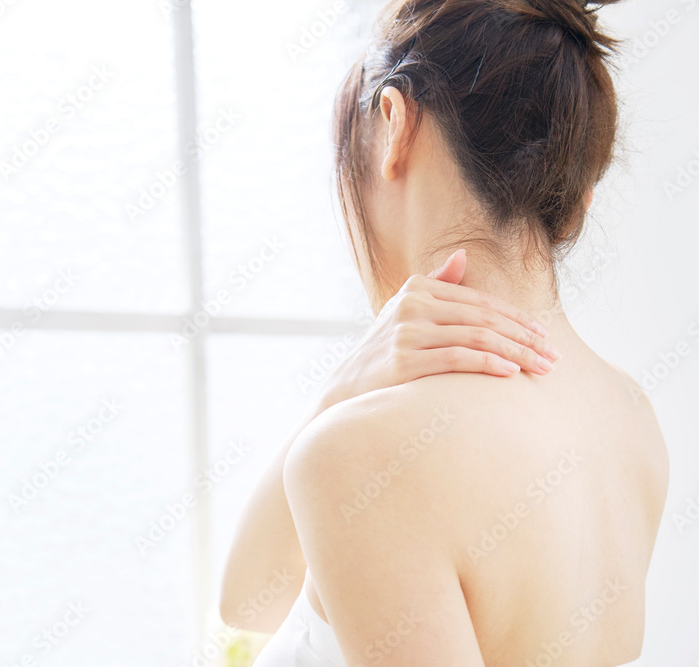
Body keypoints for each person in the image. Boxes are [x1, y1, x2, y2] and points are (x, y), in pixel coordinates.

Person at [221, 1, 669, 664]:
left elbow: (250, 608)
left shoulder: (365, 451)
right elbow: (248, 600)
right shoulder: (630, 417)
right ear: (578, 198)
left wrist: (340, 408)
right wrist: (343, 387)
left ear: (395, 124)